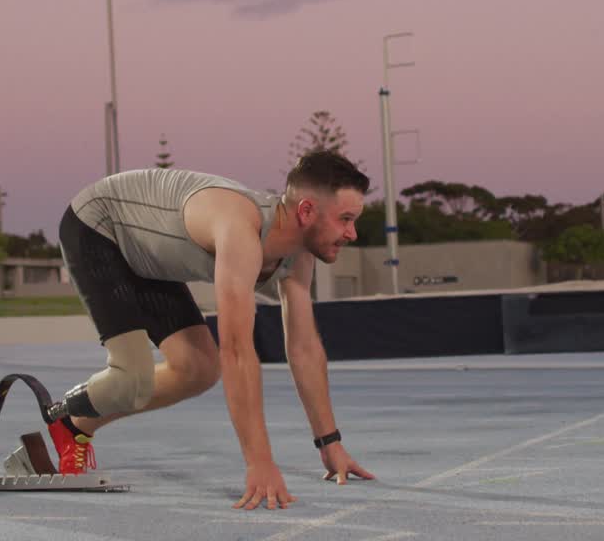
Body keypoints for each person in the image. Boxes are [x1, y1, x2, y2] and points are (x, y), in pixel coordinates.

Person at [49, 150, 376, 510]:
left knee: (198, 369)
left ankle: (72, 426)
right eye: (345, 219)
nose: (352, 232)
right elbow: (237, 351)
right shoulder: (241, 230)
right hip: (98, 226)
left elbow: (304, 349)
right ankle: (57, 413)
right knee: (131, 378)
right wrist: (260, 463)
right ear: (306, 211)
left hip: (150, 259)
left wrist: (329, 443)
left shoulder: (297, 256)